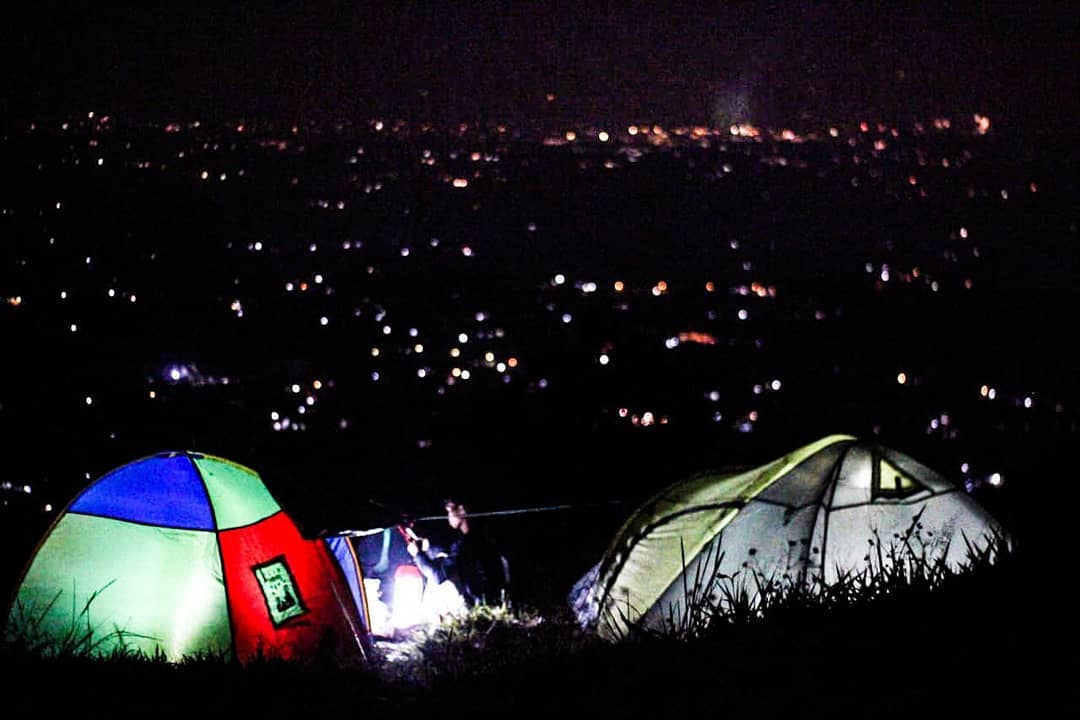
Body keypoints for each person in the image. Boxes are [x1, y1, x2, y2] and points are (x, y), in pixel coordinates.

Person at [406, 498, 510, 607]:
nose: (448, 517)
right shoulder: (482, 536)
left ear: (461, 510)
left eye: (449, 511)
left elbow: (438, 576)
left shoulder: (465, 544)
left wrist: (417, 555)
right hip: (496, 603)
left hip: (484, 606)